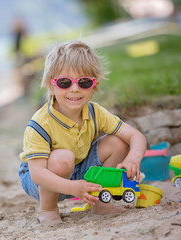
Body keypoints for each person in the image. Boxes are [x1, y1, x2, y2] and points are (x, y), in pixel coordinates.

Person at [18, 41, 147, 225]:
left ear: (94, 86)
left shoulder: (95, 112)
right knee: (63, 157)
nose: (75, 89)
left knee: (117, 142)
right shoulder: (40, 124)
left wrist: (133, 158)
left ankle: (101, 202)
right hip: (41, 179)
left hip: (78, 169)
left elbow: (136, 136)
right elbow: (37, 173)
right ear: (51, 86)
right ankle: (48, 208)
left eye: (84, 82)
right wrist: (72, 187)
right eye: (64, 82)